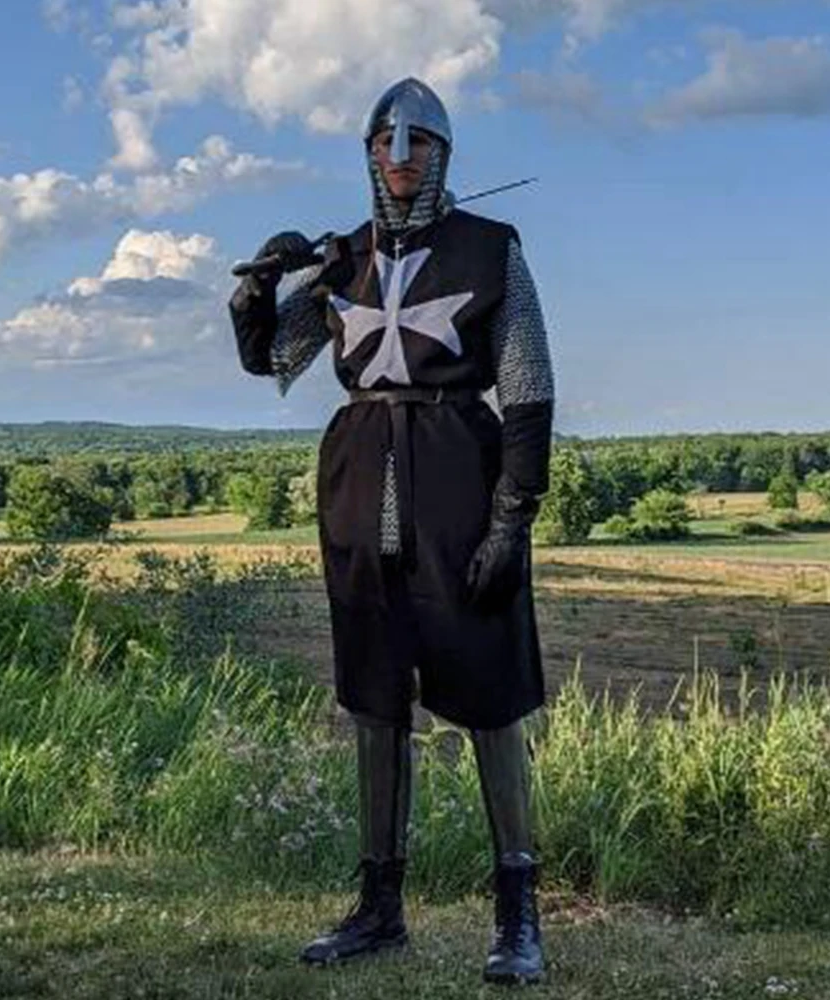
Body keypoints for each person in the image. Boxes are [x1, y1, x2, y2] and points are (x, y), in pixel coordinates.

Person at [229, 77, 555, 986]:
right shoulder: (344, 259)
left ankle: (517, 916)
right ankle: (379, 909)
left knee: (489, 690)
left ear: (442, 155)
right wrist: (260, 286)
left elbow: (529, 392)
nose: (400, 157)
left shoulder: (489, 248)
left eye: (417, 143)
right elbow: (272, 357)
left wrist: (512, 517)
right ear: (370, 155)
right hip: (359, 476)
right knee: (374, 695)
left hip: (457, 477)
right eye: (385, 143)